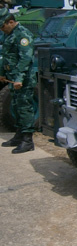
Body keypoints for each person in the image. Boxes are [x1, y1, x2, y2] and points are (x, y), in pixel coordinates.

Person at [0, 9, 36, 153]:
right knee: (16, 106)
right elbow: (5, 56)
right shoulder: (9, 35)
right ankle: (19, 135)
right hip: (12, 77)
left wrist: (19, 78)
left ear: (11, 22)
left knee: (24, 107)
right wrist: (2, 73)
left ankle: (28, 140)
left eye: (3, 26)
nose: (2, 29)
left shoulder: (23, 35)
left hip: (23, 79)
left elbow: (25, 58)